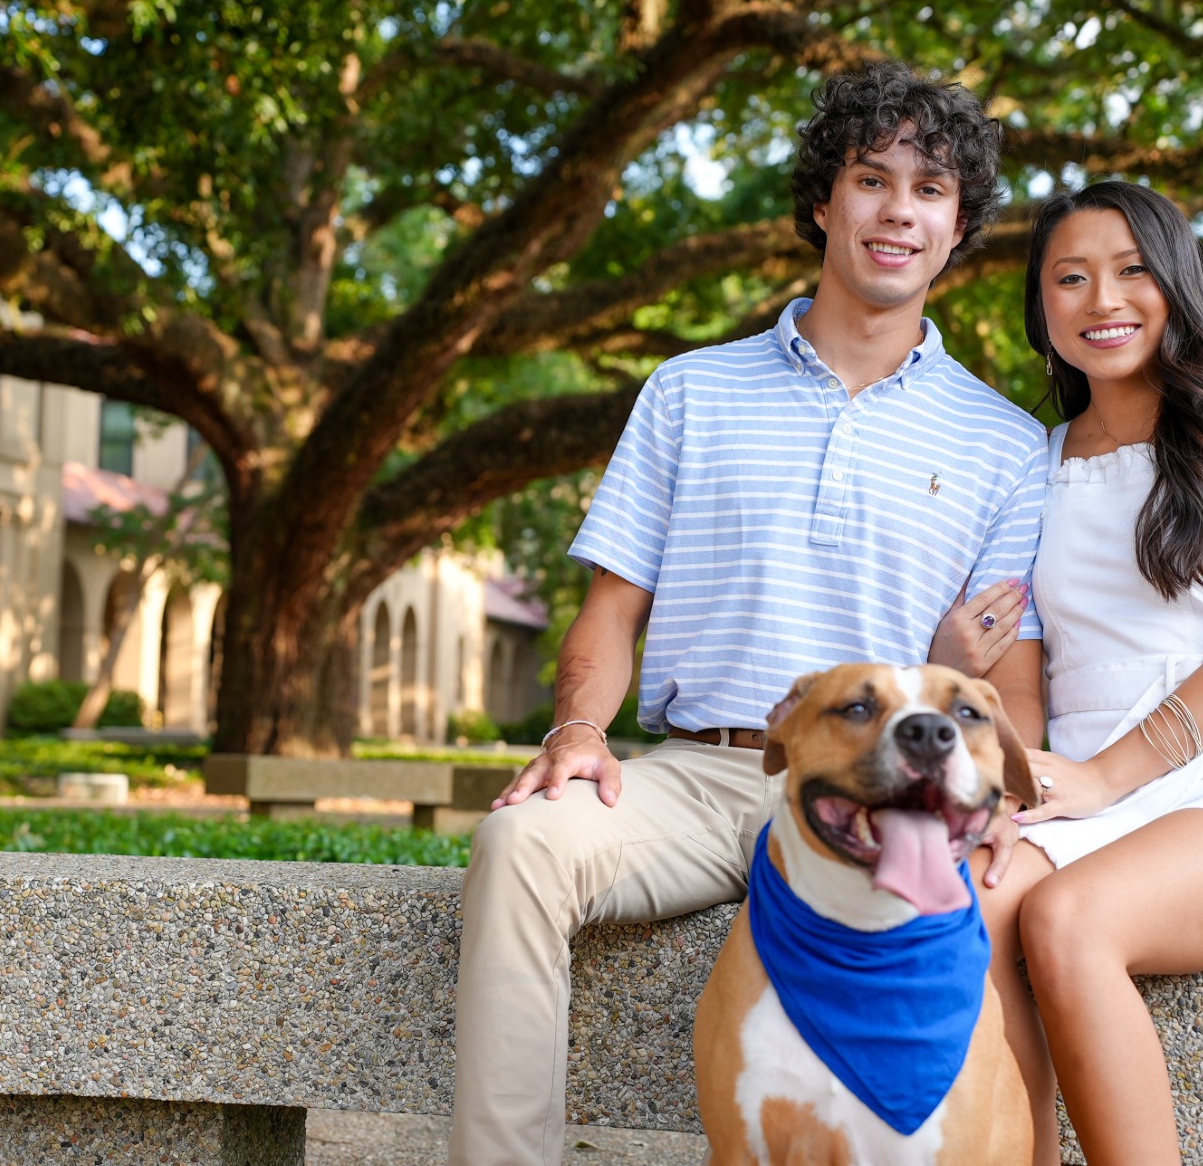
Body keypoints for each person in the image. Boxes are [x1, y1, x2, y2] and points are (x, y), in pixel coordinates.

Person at [446, 60, 1052, 1166]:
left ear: (959, 227)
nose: (898, 212)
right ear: (824, 201)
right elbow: (607, 614)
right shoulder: (687, 390)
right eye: (872, 179)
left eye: (930, 190)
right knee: (522, 841)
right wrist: (578, 732)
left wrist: (1006, 792)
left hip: (885, 792)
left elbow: (1002, 685)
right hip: (696, 772)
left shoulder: (1007, 443)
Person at [937, 179, 1203, 1166]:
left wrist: (1106, 776)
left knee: (1068, 917)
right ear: (1041, 307)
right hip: (1075, 790)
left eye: (1131, 271)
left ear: (1176, 284)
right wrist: (1013, 781)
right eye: (1070, 278)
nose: (1102, 299)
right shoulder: (1025, 462)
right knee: (966, 907)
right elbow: (1024, 680)